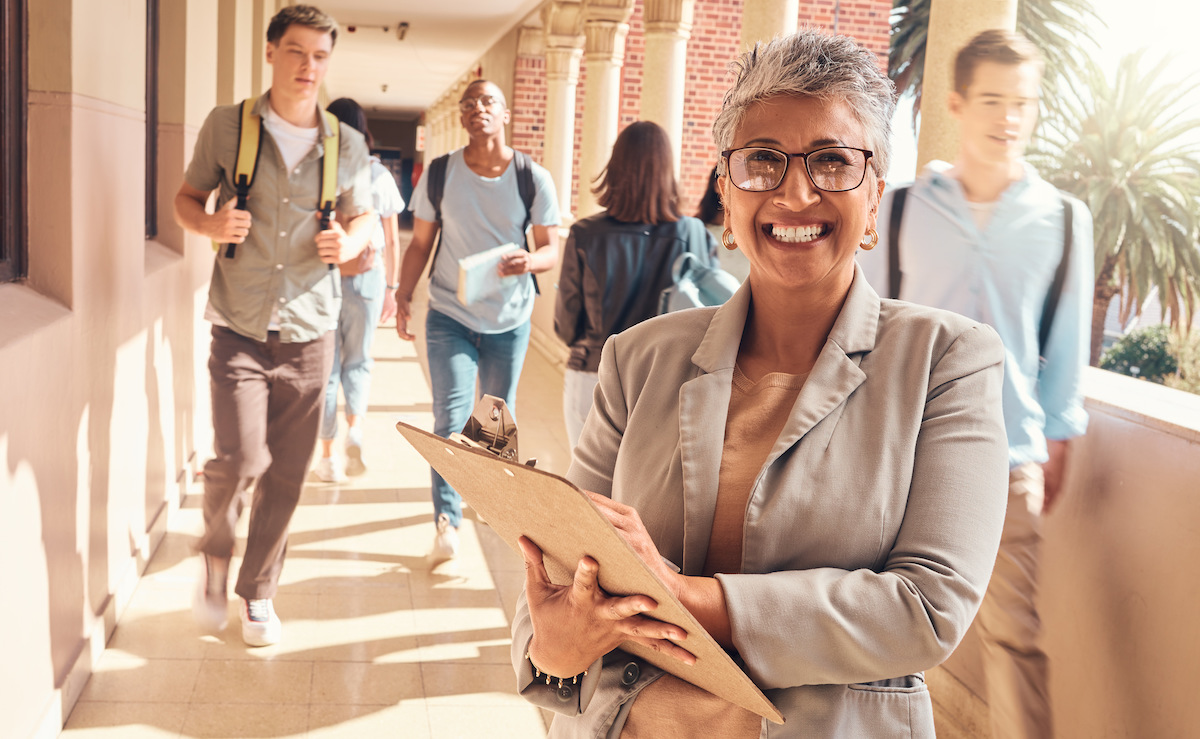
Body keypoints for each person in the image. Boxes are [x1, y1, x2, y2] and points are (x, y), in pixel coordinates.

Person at [512, 30, 1010, 737]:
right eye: (763, 161)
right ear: (725, 191)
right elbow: (560, 576)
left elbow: (926, 608)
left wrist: (682, 595)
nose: (796, 191)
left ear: (874, 197)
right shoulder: (638, 359)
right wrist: (553, 644)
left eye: (833, 161)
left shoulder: (947, 362)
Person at [858, 29, 1094, 739]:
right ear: (956, 103)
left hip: (1009, 465)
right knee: (884, 642)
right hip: (905, 463)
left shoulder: (1062, 220)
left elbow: (1066, 346)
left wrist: (1054, 442)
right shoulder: (898, 211)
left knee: (1016, 641)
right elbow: (864, 336)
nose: (1009, 117)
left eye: (1023, 102)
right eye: (993, 99)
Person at [174, 5, 373, 647]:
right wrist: (207, 225)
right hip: (239, 325)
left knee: (286, 475)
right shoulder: (228, 127)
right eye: (296, 52)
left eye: (319, 56)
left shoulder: (346, 142)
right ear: (270, 53)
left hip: (312, 333)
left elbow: (364, 220)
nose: (307, 67)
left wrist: (348, 242)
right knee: (239, 458)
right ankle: (214, 555)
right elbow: (185, 198)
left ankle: (258, 593)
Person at [395, 79, 560, 559]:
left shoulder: (533, 177)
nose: (476, 109)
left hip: (509, 317)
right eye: (469, 104)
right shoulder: (441, 173)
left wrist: (529, 261)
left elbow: (550, 248)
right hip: (449, 311)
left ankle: (490, 500)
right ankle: (446, 520)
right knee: (448, 415)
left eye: (487, 101)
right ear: (462, 117)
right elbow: (421, 244)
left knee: (494, 416)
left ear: (504, 113)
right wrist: (403, 295)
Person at [555, 121, 716, 450]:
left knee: (589, 495)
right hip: (667, 383)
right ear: (667, 171)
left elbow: (567, 324)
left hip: (594, 374)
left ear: (614, 168)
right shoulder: (694, 234)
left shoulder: (585, 234)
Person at [313, 97, 405, 482]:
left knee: (327, 368)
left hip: (324, 275)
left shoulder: (318, 169)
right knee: (360, 361)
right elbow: (392, 238)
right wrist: (392, 288)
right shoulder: (378, 174)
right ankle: (356, 430)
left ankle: (330, 456)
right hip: (368, 278)